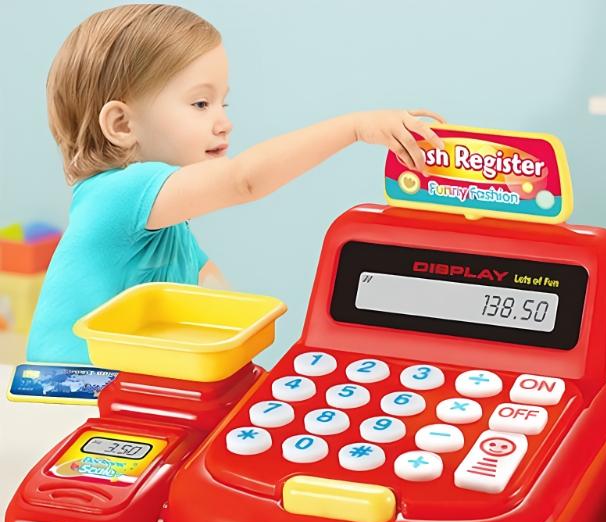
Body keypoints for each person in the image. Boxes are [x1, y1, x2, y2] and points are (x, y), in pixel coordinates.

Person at [27, 3, 444, 364]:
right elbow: (244, 180)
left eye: (222, 102)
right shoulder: (118, 194)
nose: (224, 122)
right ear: (122, 124)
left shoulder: (165, 223)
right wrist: (354, 128)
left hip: (116, 386)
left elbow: (216, 294)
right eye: (200, 103)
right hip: (61, 393)